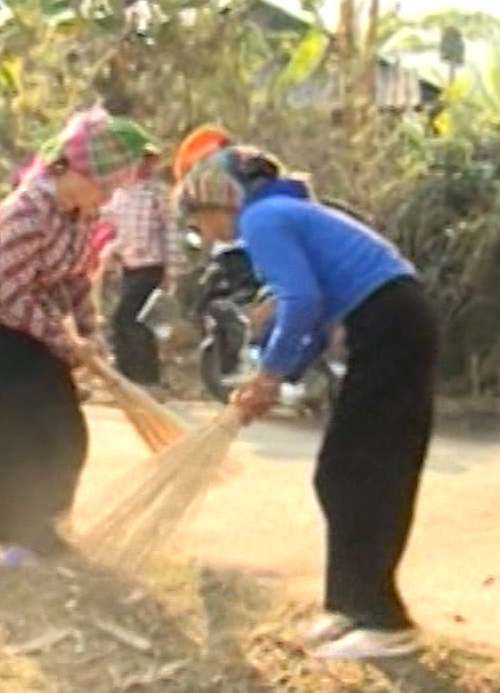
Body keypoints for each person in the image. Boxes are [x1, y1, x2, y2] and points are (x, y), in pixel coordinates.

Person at [175, 139, 438, 661]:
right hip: (393, 322)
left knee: (358, 471)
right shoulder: (282, 212)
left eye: (199, 222)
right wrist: (271, 379)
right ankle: (349, 606)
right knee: (345, 471)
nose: (204, 237)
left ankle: (384, 621)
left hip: (391, 326)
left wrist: (269, 376)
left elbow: (300, 302)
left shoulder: (263, 220)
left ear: (217, 204)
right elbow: (312, 323)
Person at [0, 107, 161, 569]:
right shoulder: (27, 212)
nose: (104, 199)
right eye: (102, 188)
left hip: (29, 313)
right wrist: (64, 343)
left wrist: (89, 331)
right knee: (8, 433)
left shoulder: (79, 216)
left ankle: (47, 524)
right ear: (73, 171)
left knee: (63, 430)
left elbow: (75, 280)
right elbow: (10, 293)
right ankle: (17, 540)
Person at [99, 148, 178, 387]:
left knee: (130, 318)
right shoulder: (119, 193)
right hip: (127, 264)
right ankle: (126, 376)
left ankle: (144, 377)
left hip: (151, 264)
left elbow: (170, 230)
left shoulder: (157, 193)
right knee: (125, 321)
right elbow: (108, 222)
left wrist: (172, 269)